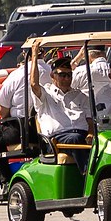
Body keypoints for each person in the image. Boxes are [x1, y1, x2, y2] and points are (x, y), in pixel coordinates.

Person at [28, 41, 95, 171]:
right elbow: (34, 84)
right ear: (52, 76)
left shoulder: (80, 95)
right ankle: (88, 173)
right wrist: (35, 55)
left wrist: (91, 134)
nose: (66, 78)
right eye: (62, 75)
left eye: (69, 75)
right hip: (57, 140)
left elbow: (90, 119)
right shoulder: (46, 94)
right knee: (75, 138)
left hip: (81, 136)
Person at [0, 50, 52, 176]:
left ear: (25, 54)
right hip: (48, 129)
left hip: (23, 131)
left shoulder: (16, 75)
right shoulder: (53, 72)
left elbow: (2, 111)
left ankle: (5, 178)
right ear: (44, 53)